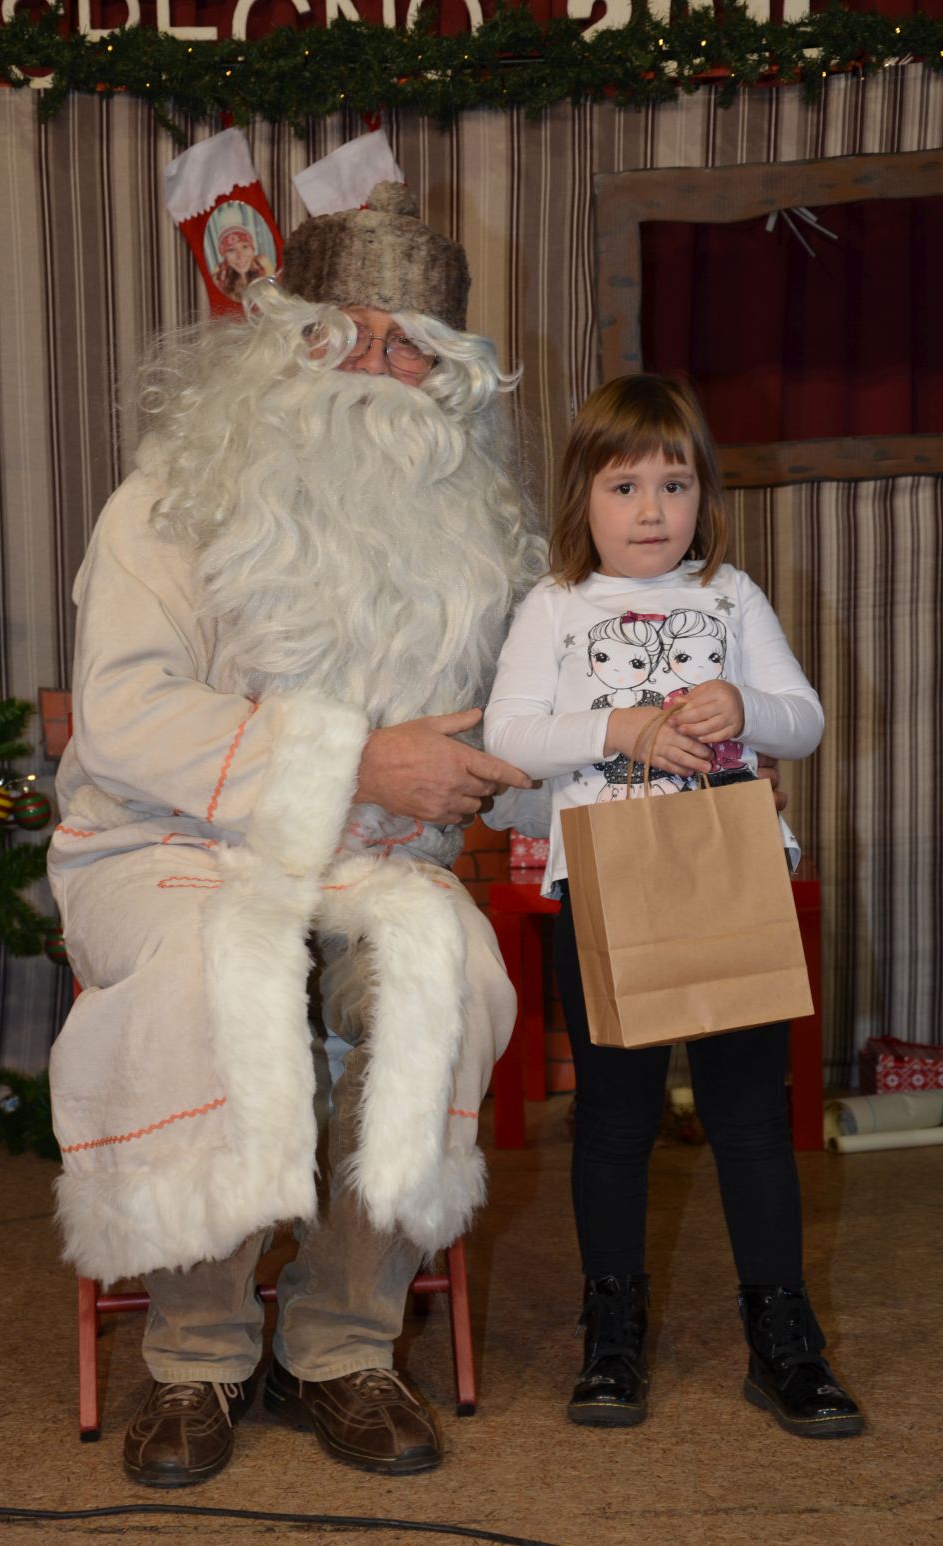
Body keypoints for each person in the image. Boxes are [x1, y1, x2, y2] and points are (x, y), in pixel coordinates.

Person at [47, 179, 545, 1487]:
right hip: (166, 846)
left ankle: (341, 1341)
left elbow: (508, 734)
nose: (372, 368)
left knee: (444, 974)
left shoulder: (473, 541)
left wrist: (664, 765)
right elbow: (126, 718)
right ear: (283, 341)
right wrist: (359, 759)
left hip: (375, 863)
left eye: (408, 346)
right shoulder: (165, 504)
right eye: (343, 334)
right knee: (227, 966)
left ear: (448, 374)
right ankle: (198, 1351)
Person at [483, 373, 864, 1439]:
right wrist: (620, 728)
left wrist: (745, 704)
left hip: (731, 868)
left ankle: (782, 1336)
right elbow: (509, 737)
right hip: (604, 880)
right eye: (624, 486)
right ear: (582, 497)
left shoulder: (731, 595)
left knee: (749, 1115)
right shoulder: (554, 606)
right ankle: (611, 1331)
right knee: (615, 1117)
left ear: (703, 493)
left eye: (674, 483)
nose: (651, 510)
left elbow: (803, 720)